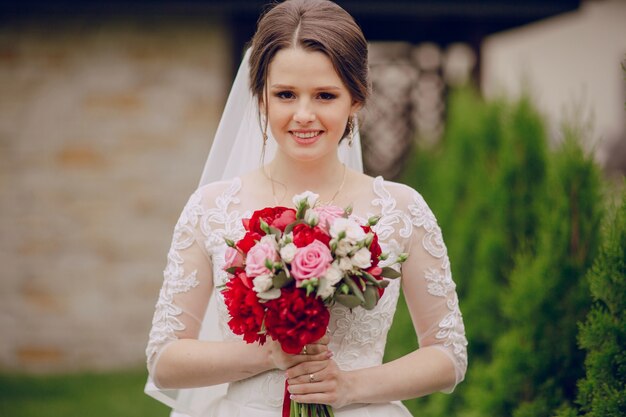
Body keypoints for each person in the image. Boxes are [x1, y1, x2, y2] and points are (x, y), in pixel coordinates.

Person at [144, 0, 467, 416]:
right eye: (285, 94)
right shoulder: (211, 208)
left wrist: (349, 387)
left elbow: (447, 354)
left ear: (356, 98)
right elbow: (164, 360)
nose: (303, 114)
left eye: (325, 95)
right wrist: (268, 356)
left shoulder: (400, 209)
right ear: (260, 98)